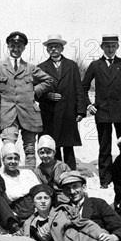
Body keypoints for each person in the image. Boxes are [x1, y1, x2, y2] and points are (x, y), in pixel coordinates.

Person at [81, 34, 121, 189]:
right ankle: (105, 180)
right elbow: (83, 87)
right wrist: (88, 105)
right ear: (102, 47)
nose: (110, 49)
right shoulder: (95, 65)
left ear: (117, 47)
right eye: (107, 46)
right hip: (103, 112)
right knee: (104, 147)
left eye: (113, 46)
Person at [0, 31, 54, 169]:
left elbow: (49, 80)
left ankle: (31, 179)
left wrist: (34, 92)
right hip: (7, 114)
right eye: (13, 45)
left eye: (19, 46)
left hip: (29, 114)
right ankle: (9, 179)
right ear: (8, 46)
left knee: (30, 149)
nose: (16, 49)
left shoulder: (30, 68)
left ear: (24, 48)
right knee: (9, 148)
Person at [37, 34, 88, 170]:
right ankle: (56, 174)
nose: (53, 49)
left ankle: (71, 175)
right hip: (49, 113)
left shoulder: (72, 65)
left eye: (56, 46)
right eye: (50, 47)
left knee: (68, 145)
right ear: (47, 50)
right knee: (53, 145)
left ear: (62, 48)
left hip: (67, 112)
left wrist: (81, 111)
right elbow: (35, 92)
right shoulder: (40, 67)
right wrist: (48, 95)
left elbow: (79, 89)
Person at [0, 142, 40, 222]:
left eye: (16, 158)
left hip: (34, 211)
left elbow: (39, 191)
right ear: (3, 159)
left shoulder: (28, 173)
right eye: (9, 158)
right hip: (16, 214)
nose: (13, 161)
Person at [33, 134, 71, 204]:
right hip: (48, 200)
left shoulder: (62, 167)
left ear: (54, 153)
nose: (45, 155)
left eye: (48, 152)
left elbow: (70, 185)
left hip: (65, 198)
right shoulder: (37, 171)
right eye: (41, 153)